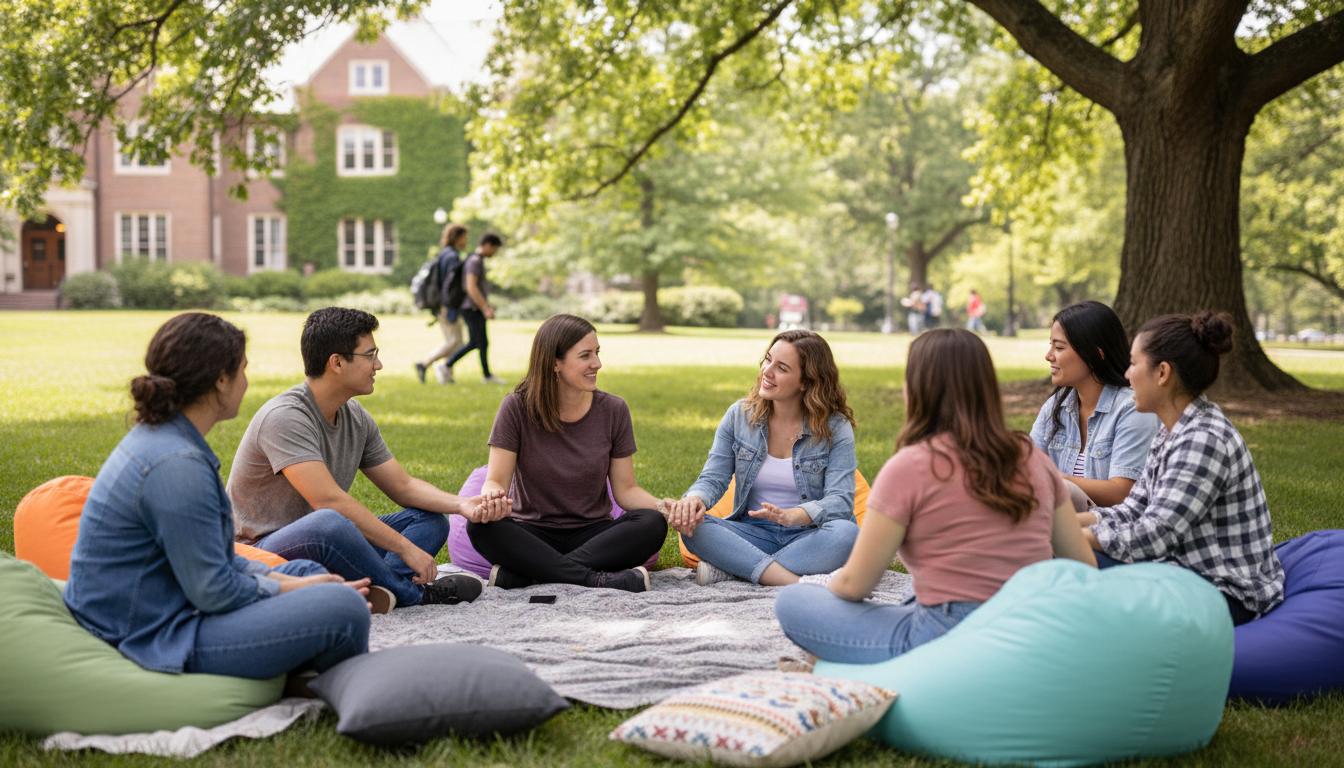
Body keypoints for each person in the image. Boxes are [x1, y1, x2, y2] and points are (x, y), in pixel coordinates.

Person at [65, 312, 372, 681]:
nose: (246, 380)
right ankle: (334, 683)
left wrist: (297, 584)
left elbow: (217, 562)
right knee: (343, 608)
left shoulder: (167, 440)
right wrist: (295, 591)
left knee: (308, 573)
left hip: (174, 605)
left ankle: (297, 662)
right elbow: (214, 591)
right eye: (242, 370)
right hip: (152, 636)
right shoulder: (176, 465)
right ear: (221, 381)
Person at [774, 329, 1096, 664]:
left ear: (917, 388)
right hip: (1028, 625)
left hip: (945, 635)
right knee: (912, 592)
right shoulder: (1033, 458)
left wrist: (830, 590)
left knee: (795, 602)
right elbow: (1082, 565)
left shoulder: (909, 467)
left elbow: (856, 584)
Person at [228, 307, 509, 612]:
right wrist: (404, 549)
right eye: (370, 355)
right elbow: (329, 502)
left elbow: (402, 486)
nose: (379, 364)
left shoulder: (355, 417)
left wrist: (461, 505)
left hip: (334, 540)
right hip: (264, 549)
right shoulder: (285, 417)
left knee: (428, 520)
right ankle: (409, 593)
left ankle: (382, 589)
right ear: (337, 362)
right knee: (330, 521)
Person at [1083, 311, 1285, 625]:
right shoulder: (1172, 429)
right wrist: (1062, 521)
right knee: (1067, 552)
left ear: (1162, 373)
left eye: (1134, 363)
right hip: (1184, 571)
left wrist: (1070, 535)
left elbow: (1152, 538)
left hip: (1227, 593)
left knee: (1076, 560)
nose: (1126, 374)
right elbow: (1134, 509)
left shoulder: (1203, 440)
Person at [466, 314, 671, 592]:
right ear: (554, 363)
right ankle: (592, 579)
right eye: (585, 356)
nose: (597, 364)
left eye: (597, 353)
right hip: (531, 533)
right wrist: (492, 495)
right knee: (481, 528)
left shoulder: (614, 410)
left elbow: (626, 491)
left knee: (651, 522)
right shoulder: (516, 407)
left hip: (594, 535)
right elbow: (496, 480)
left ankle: (531, 576)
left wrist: (663, 507)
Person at [668, 330, 859, 587]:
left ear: (806, 381)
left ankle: (736, 569)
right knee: (695, 528)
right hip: (753, 532)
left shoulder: (835, 426)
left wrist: (796, 515)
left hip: (811, 535)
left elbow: (841, 501)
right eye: (767, 360)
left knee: (847, 534)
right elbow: (713, 478)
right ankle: (795, 581)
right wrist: (694, 499)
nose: (767, 372)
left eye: (781, 368)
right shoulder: (739, 416)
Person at [1029, 301, 1160, 511]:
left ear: (1096, 355)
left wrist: (1055, 479)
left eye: (1059, 347)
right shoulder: (1057, 405)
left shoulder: (1132, 409)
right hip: (1060, 527)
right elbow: (1028, 468)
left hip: (1110, 536)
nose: (1049, 355)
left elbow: (1122, 492)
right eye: (1050, 345)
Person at [442, 232, 505, 385]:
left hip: (473, 307)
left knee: (480, 342)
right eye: (494, 249)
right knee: (476, 342)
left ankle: (486, 375)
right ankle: (447, 365)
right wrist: (485, 308)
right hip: (471, 308)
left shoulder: (475, 259)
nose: (494, 253)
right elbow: (471, 287)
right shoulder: (475, 261)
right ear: (488, 245)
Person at [415, 223, 468, 384]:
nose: (466, 241)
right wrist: (451, 306)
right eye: (465, 237)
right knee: (456, 342)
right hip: (448, 305)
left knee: (452, 342)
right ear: (457, 237)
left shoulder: (444, 254)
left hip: (441, 304)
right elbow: (450, 285)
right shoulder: (452, 257)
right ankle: (425, 364)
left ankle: (446, 375)